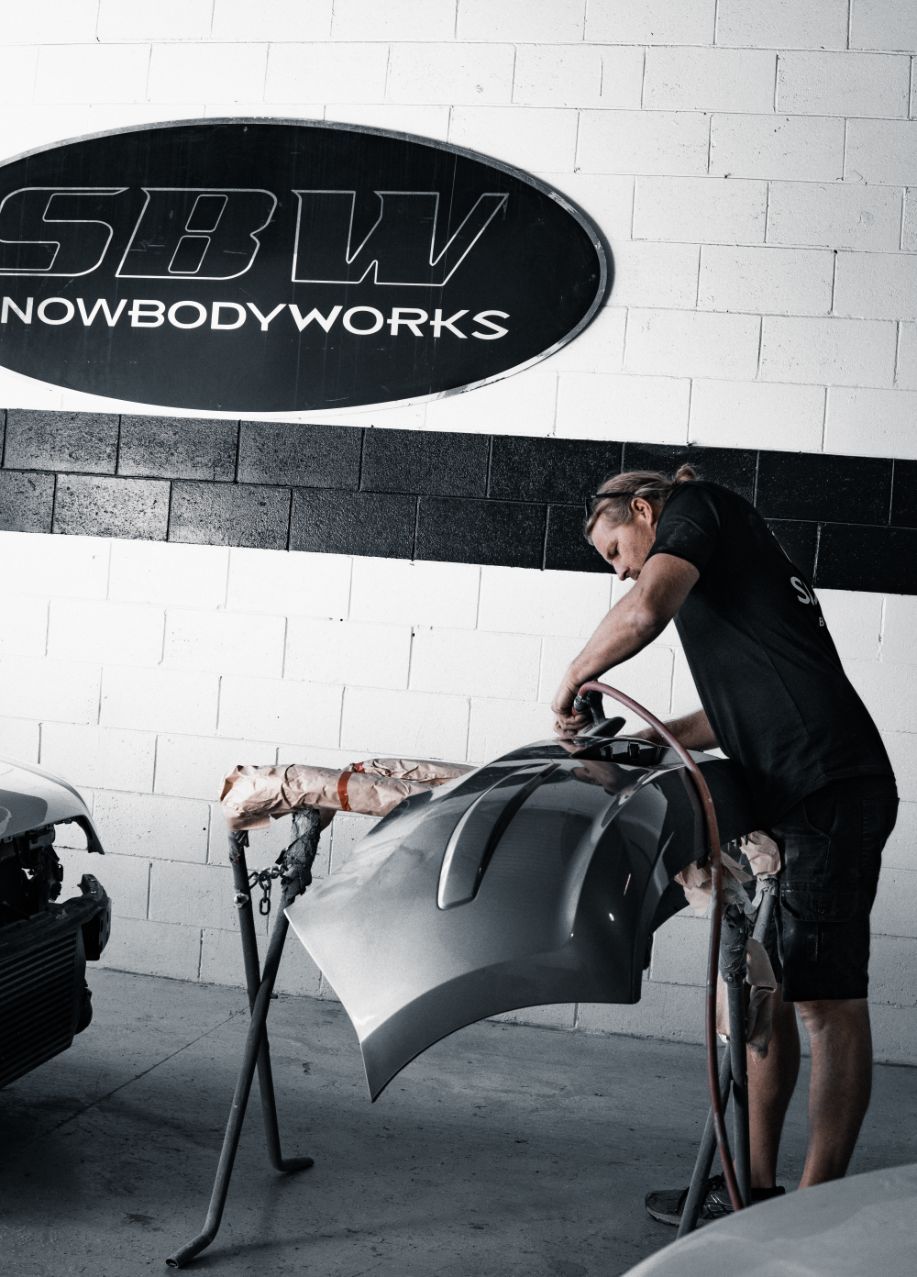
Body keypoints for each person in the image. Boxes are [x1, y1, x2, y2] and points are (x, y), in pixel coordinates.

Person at [551, 465, 898, 1225]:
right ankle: (753, 1190)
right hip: (791, 790)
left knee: (826, 1002)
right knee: (765, 997)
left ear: (644, 510)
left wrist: (573, 679)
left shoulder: (700, 508)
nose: (620, 571)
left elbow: (644, 610)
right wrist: (656, 738)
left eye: (615, 550)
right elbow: (738, 708)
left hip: (829, 788)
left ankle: (811, 1212)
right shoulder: (728, 567)